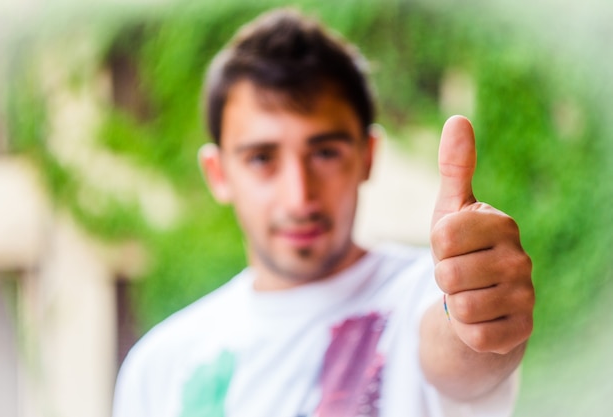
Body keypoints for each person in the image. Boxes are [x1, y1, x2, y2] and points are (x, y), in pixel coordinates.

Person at [112, 8, 534, 417]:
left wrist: (473, 313)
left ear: (368, 157)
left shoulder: (427, 292)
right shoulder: (159, 367)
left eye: (326, 152)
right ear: (218, 173)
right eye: (261, 158)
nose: (299, 197)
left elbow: (462, 352)